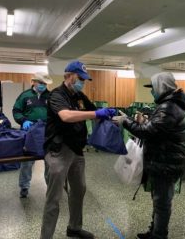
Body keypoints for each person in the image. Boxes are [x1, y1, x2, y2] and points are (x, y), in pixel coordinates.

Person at [40, 60, 116, 239]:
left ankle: (74, 227)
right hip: (58, 152)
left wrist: (113, 117)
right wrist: (96, 114)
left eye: (84, 79)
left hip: (77, 150)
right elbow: (66, 116)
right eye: (80, 78)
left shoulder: (80, 96)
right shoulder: (56, 95)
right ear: (69, 76)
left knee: (79, 189)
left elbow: (95, 113)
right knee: (54, 198)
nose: (83, 81)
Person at [113, 72, 185, 239]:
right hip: (165, 160)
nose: (151, 92)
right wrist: (142, 122)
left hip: (167, 162)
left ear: (161, 87)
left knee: (162, 203)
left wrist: (125, 121)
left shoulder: (169, 107)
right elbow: (158, 129)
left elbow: (148, 132)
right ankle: (155, 231)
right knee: (159, 201)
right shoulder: (169, 105)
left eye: (153, 88)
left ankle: (159, 235)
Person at [13, 72, 52, 198]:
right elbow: (16, 111)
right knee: (27, 161)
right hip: (30, 131)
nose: (43, 85)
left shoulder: (50, 96)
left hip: (46, 131)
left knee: (49, 160)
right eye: (40, 83)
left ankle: (50, 186)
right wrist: (24, 120)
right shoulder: (25, 96)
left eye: (45, 84)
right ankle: (24, 187)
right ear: (33, 82)